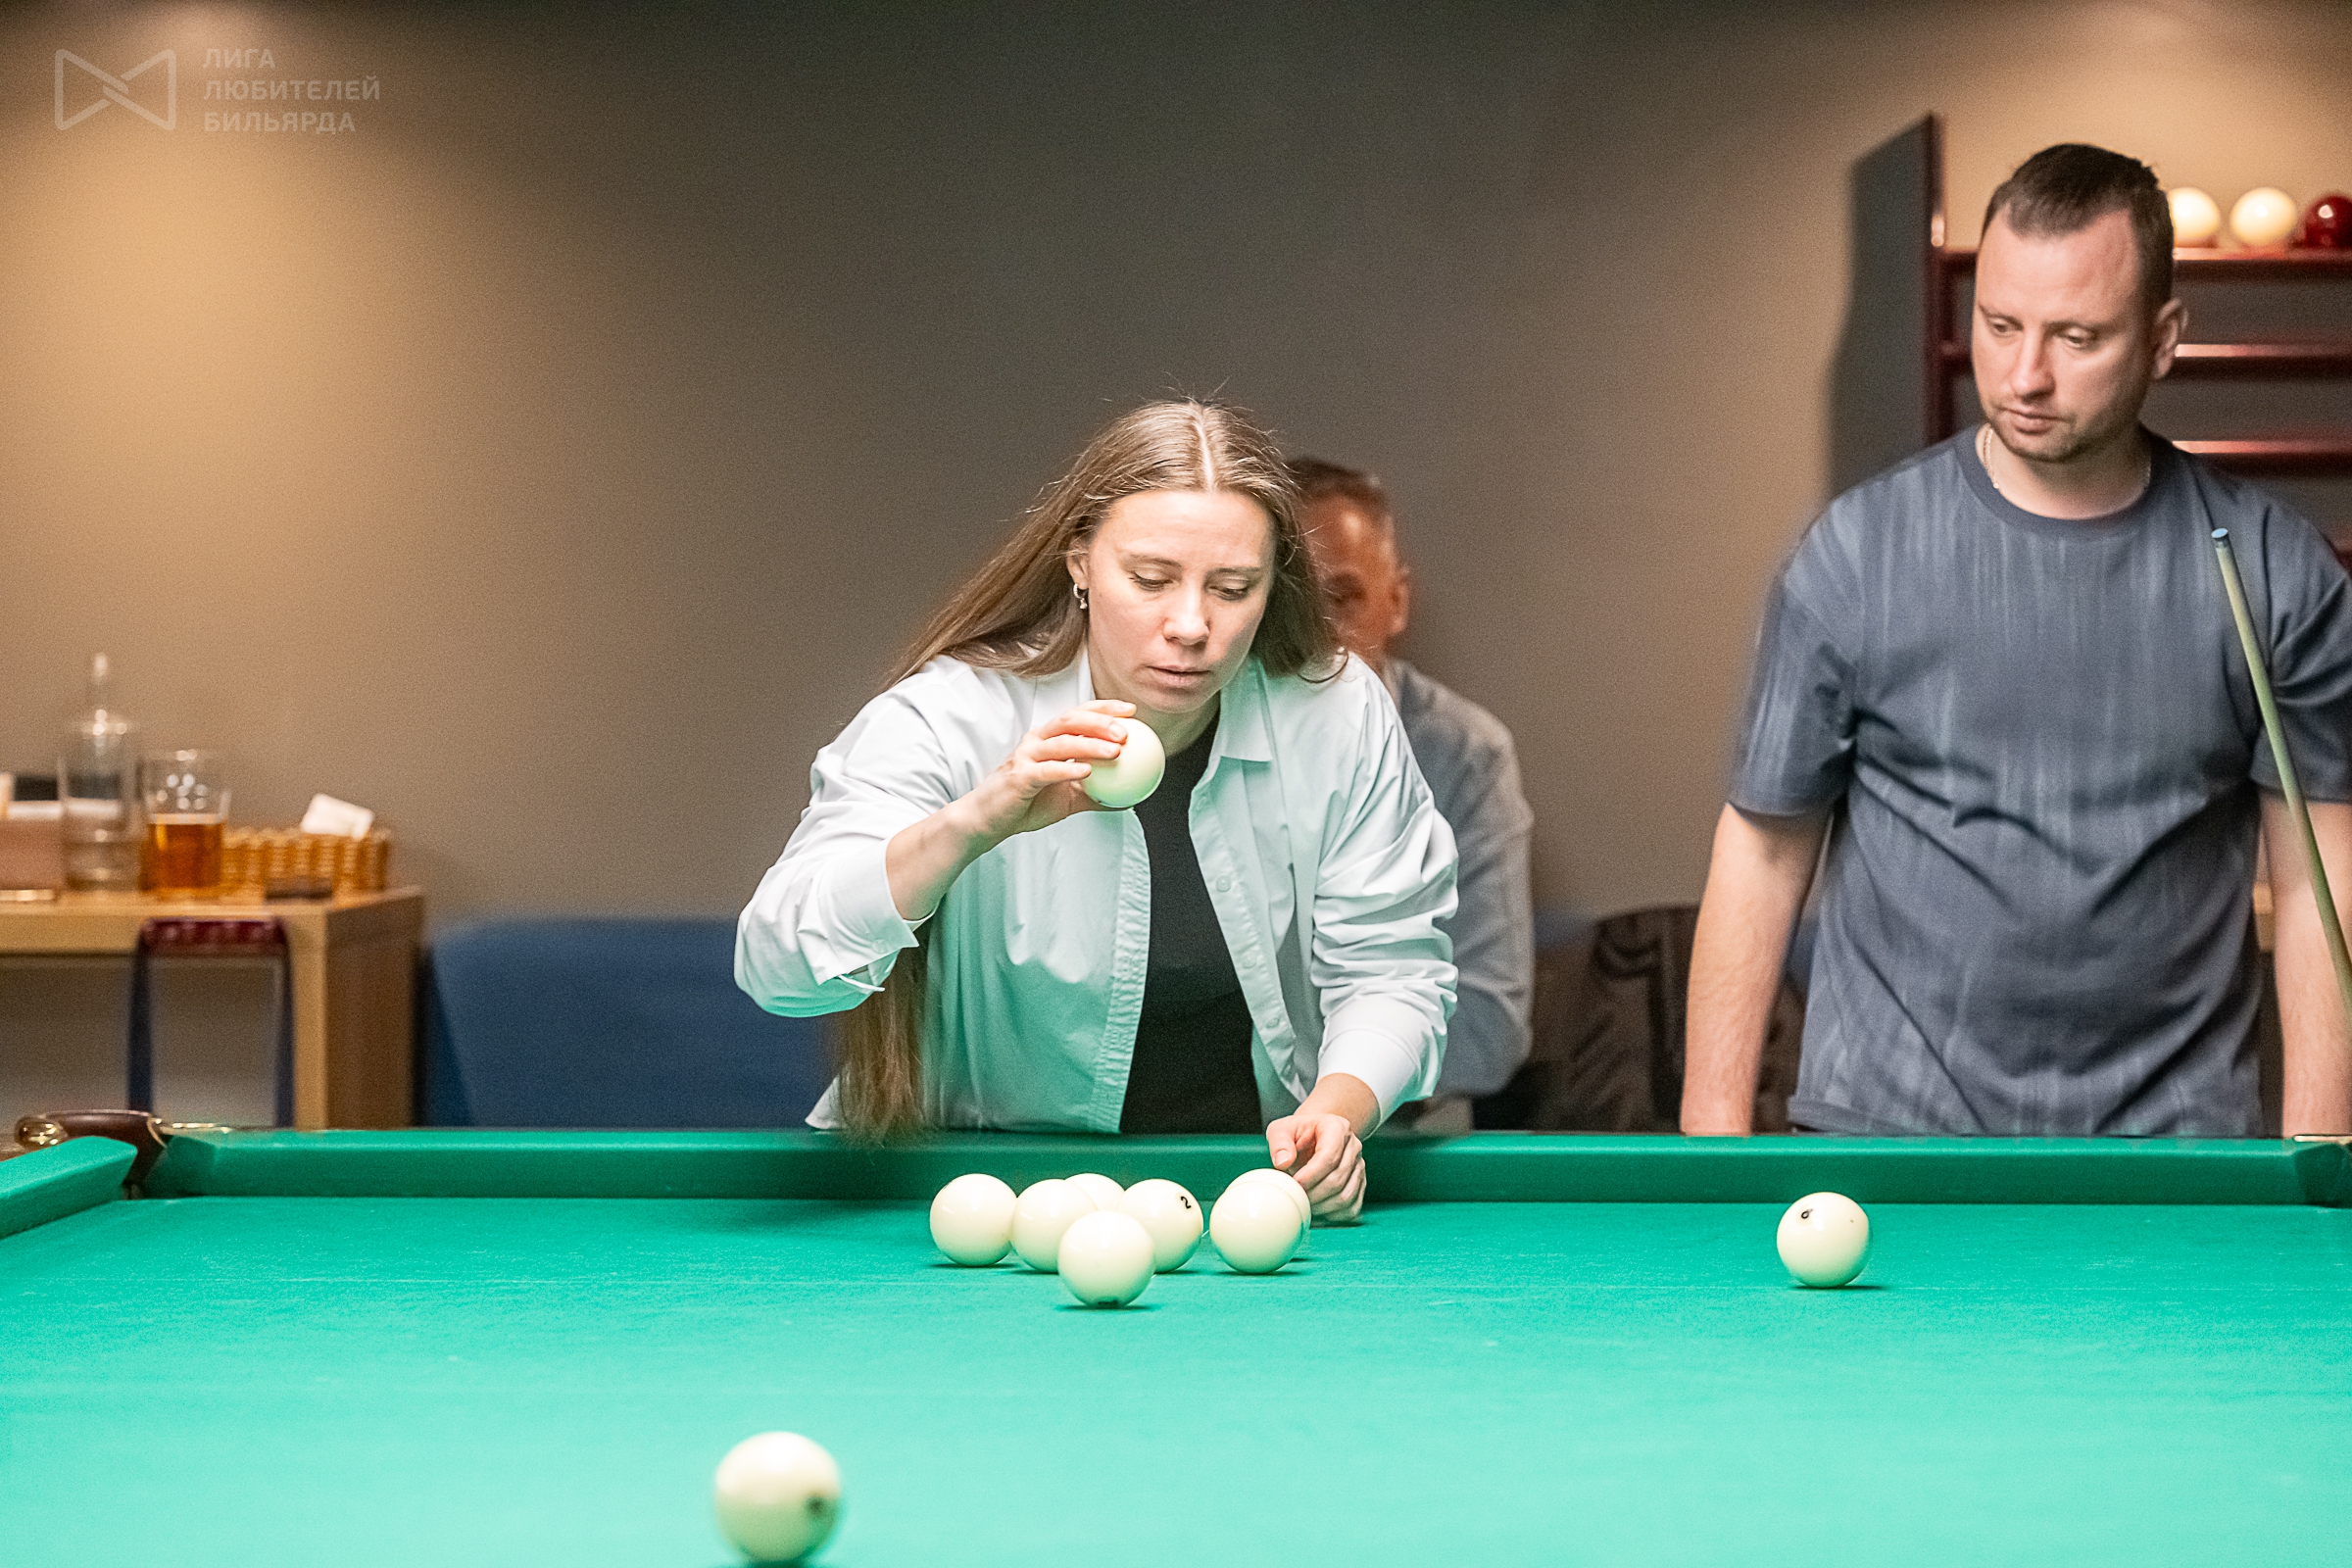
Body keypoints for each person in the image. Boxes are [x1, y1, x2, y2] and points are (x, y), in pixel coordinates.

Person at [1685, 142, 2352, 1140]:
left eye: (2077, 337)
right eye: (1999, 326)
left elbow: (2320, 882)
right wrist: (1712, 1145)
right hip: (1887, 1140)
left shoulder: (2271, 570)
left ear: (2163, 339)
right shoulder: (1856, 554)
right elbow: (1763, 853)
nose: (2025, 375)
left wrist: (2323, 1165)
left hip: (2166, 1153)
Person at [738, 401, 1458, 1218]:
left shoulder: (1336, 711)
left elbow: (1394, 969)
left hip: (1242, 1196)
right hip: (969, 1198)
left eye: (1233, 588)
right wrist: (974, 824)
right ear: (1079, 561)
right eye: (1150, 579)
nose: (1191, 625)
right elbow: (778, 969)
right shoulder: (949, 716)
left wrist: (1337, 1112)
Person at [1290, 458, 1535, 1127]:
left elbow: (1486, 1029)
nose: (1312, 636)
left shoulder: (1464, 755)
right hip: (1220, 1138)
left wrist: (1326, 1081)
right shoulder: (1200, 735)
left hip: (1405, 1140)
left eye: (1341, 599)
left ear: (1395, 601)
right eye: (1286, 606)